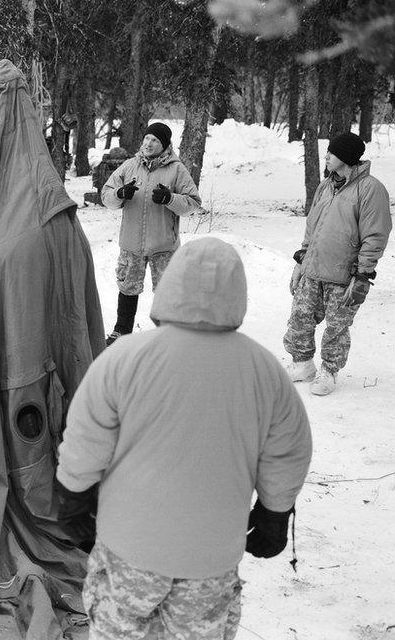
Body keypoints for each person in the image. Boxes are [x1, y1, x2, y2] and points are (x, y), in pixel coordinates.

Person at [56, 237, 312, 640]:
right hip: (210, 558)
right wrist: (274, 513)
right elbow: (289, 451)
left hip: (128, 549)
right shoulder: (265, 372)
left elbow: (87, 434)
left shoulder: (125, 358)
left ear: (170, 284)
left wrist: (74, 496)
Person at [283, 132, 391, 396]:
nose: (327, 156)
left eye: (331, 153)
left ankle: (328, 372)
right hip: (313, 268)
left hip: (344, 275)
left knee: (336, 327)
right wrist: (301, 259)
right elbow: (313, 227)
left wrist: (363, 274)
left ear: (346, 158)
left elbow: (375, 235)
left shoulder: (370, 189)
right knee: (300, 319)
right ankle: (303, 365)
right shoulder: (326, 185)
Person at [100, 122, 201, 346]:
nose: (148, 143)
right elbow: (106, 195)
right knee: (127, 287)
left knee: (167, 290)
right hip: (132, 243)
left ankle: (170, 333)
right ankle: (121, 331)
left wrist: (170, 199)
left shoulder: (176, 169)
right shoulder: (129, 166)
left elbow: (193, 202)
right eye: (146, 138)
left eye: (154, 140)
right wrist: (120, 193)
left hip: (163, 245)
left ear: (164, 145)